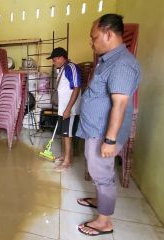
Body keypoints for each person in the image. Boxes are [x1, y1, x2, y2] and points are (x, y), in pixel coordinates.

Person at [75, 14, 140, 236]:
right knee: (97, 170)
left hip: (104, 133)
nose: (91, 42)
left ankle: (104, 222)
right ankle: (99, 200)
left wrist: (110, 140)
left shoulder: (122, 64)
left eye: (93, 37)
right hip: (96, 129)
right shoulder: (109, 60)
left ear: (108, 34)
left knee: (102, 174)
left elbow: (120, 105)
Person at [47, 47, 81, 172]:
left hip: (69, 109)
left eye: (55, 59)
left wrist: (68, 109)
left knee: (67, 134)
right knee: (63, 133)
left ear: (62, 58)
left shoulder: (71, 67)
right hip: (63, 109)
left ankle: (67, 162)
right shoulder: (61, 69)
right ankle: (64, 156)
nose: (53, 62)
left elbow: (76, 88)